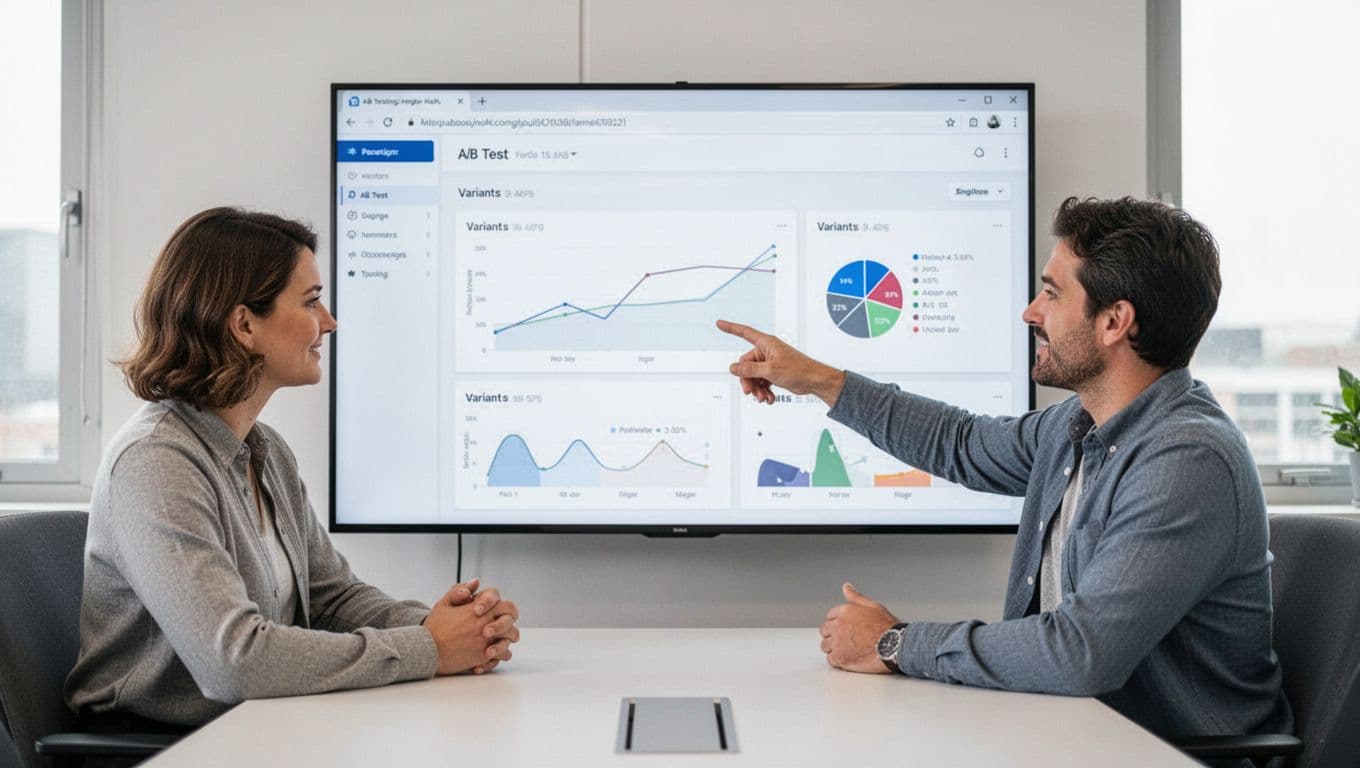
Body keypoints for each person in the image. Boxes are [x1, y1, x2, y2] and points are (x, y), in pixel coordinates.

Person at [718, 196, 1293, 742]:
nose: (1031, 312)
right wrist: (816, 379)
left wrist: (894, 643)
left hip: (1164, 754)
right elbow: (959, 442)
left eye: (1052, 294)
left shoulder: (1186, 461)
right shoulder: (1078, 426)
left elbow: (1079, 654)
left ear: (1115, 321)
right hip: (1074, 735)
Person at [65, 208, 520, 732]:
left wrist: (453, 629)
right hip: (162, 748)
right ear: (243, 325)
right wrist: (429, 648)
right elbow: (233, 661)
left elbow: (331, 598)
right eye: (310, 302)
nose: (329, 321)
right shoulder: (155, 464)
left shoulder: (264, 450)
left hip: (252, 730)